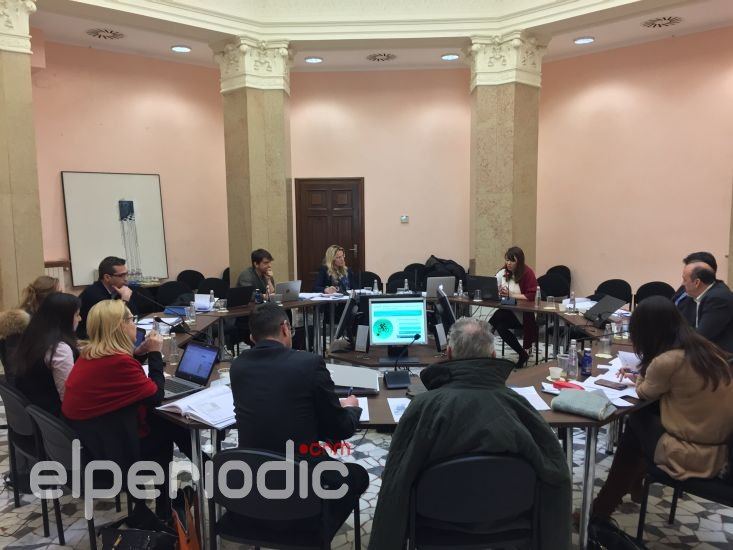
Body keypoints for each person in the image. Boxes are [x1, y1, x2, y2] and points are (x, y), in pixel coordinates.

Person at [368, 317, 571, 550]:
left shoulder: (423, 407)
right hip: (510, 523)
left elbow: (396, 481)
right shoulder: (519, 407)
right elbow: (557, 475)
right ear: (493, 355)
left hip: (434, 525)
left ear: (449, 353)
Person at [230, 303, 368, 534]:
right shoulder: (309, 363)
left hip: (253, 477)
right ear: (285, 328)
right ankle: (312, 528)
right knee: (358, 476)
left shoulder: (238, 366)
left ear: (253, 338)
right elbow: (340, 429)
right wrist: (352, 408)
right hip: (302, 480)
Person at [592, 296, 733, 518]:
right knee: (645, 421)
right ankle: (631, 485)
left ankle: (602, 509)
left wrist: (642, 372)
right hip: (721, 450)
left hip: (692, 453)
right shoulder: (706, 349)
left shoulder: (667, 361)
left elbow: (644, 392)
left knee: (637, 421)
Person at [63, 300, 186, 518]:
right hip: (111, 453)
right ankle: (167, 508)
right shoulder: (118, 362)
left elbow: (117, 380)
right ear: (120, 326)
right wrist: (155, 354)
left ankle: (174, 498)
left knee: (164, 423)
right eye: (131, 320)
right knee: (168, 426)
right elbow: (155, 396)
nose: (135, 325)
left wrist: (138, 353)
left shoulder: (90, 354)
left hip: (92, 443)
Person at [13, 292, 81, 416]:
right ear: (64, 318)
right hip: (54, 415)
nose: (80, 319)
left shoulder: (33, 336)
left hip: (35, 411)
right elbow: (67, 397)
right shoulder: (60, 349)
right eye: (77, 314)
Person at [0, 275, 60, 383]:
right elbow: (13, 365)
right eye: (59, 293)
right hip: (25, 385)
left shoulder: (43, 316)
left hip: (36, 378)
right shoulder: (20, 322)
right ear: (49, 297)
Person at [489, 246, 538, 367]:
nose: (508, 263)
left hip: (524, 315)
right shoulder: (503, 272)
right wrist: (497, 291)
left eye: (512, 261)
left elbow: (532, 295)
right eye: (507, 260)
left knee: (499, 315)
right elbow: (492, 285)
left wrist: (512, 295)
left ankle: (483, 341)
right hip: (508, 311)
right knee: (500, 327)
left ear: (519, 261)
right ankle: (522, 354)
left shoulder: (527, 273)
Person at [678, 262, 733, 352]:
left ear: (697, 282)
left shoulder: (718, 299)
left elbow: (702, 336)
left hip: (721, 355)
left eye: (684, 280)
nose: (682, 284)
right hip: (704, 350)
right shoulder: (695, 296)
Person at [77, 256, 137, 338]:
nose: (126, 279)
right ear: (107, 277)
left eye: (126, 274)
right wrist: (125, 299)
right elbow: (112, 322)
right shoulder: (93, 295)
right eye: (121, 276)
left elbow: (133, 316)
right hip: (91, 339)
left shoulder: (119, 290)